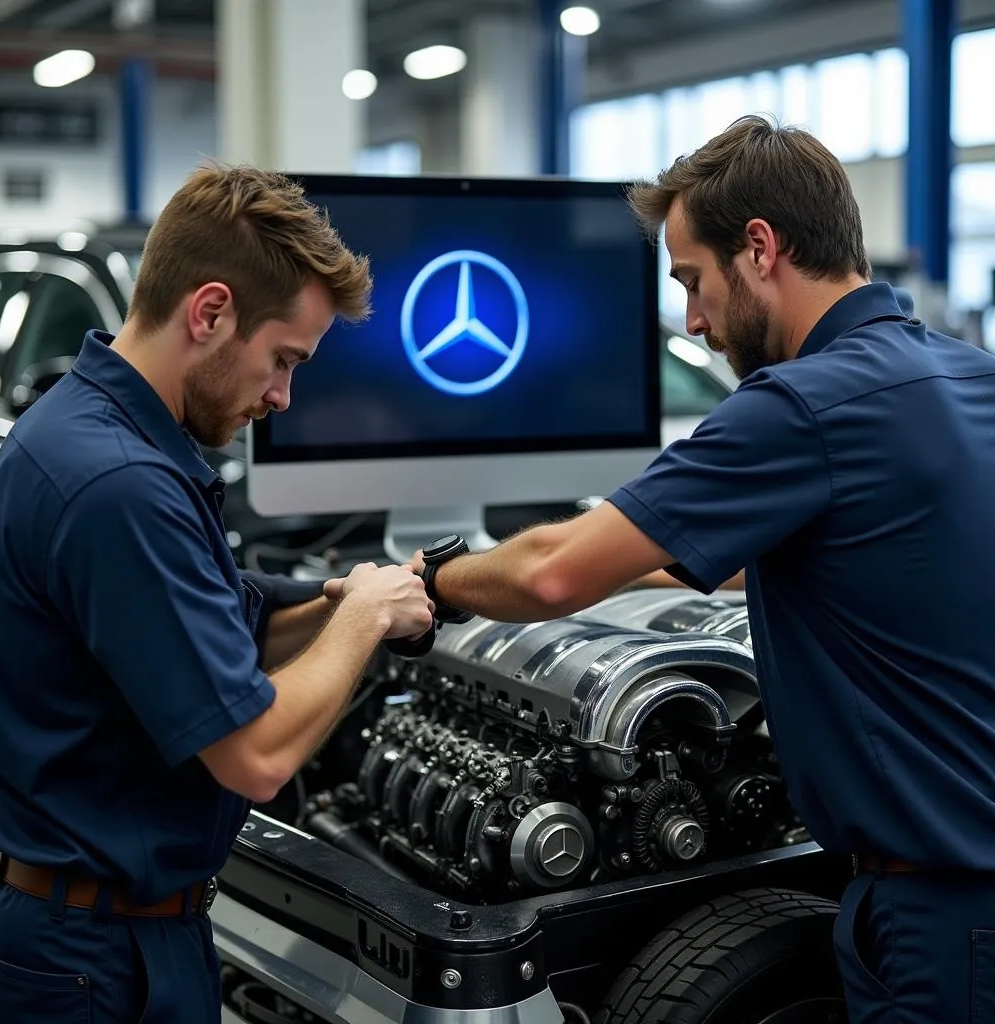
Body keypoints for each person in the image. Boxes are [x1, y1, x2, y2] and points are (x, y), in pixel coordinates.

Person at [328, 115, 995, 1023]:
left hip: (940, 910)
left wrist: (432, 585)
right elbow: (756, 560)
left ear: (760, 249)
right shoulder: (967, 378)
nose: (692, 321)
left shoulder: (803, 404)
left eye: (692, 281)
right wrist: (621, 566)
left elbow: (557, 572)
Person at [0, 164, 433, 1024]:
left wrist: (345, 599)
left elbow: (216, 625)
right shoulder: (118, 485)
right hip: (94, 959)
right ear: (211, 311)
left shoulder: (90, 430)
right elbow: (254, 756)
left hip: (100, 929)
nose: (282, 396)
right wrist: (364, 619)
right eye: (283, 361)